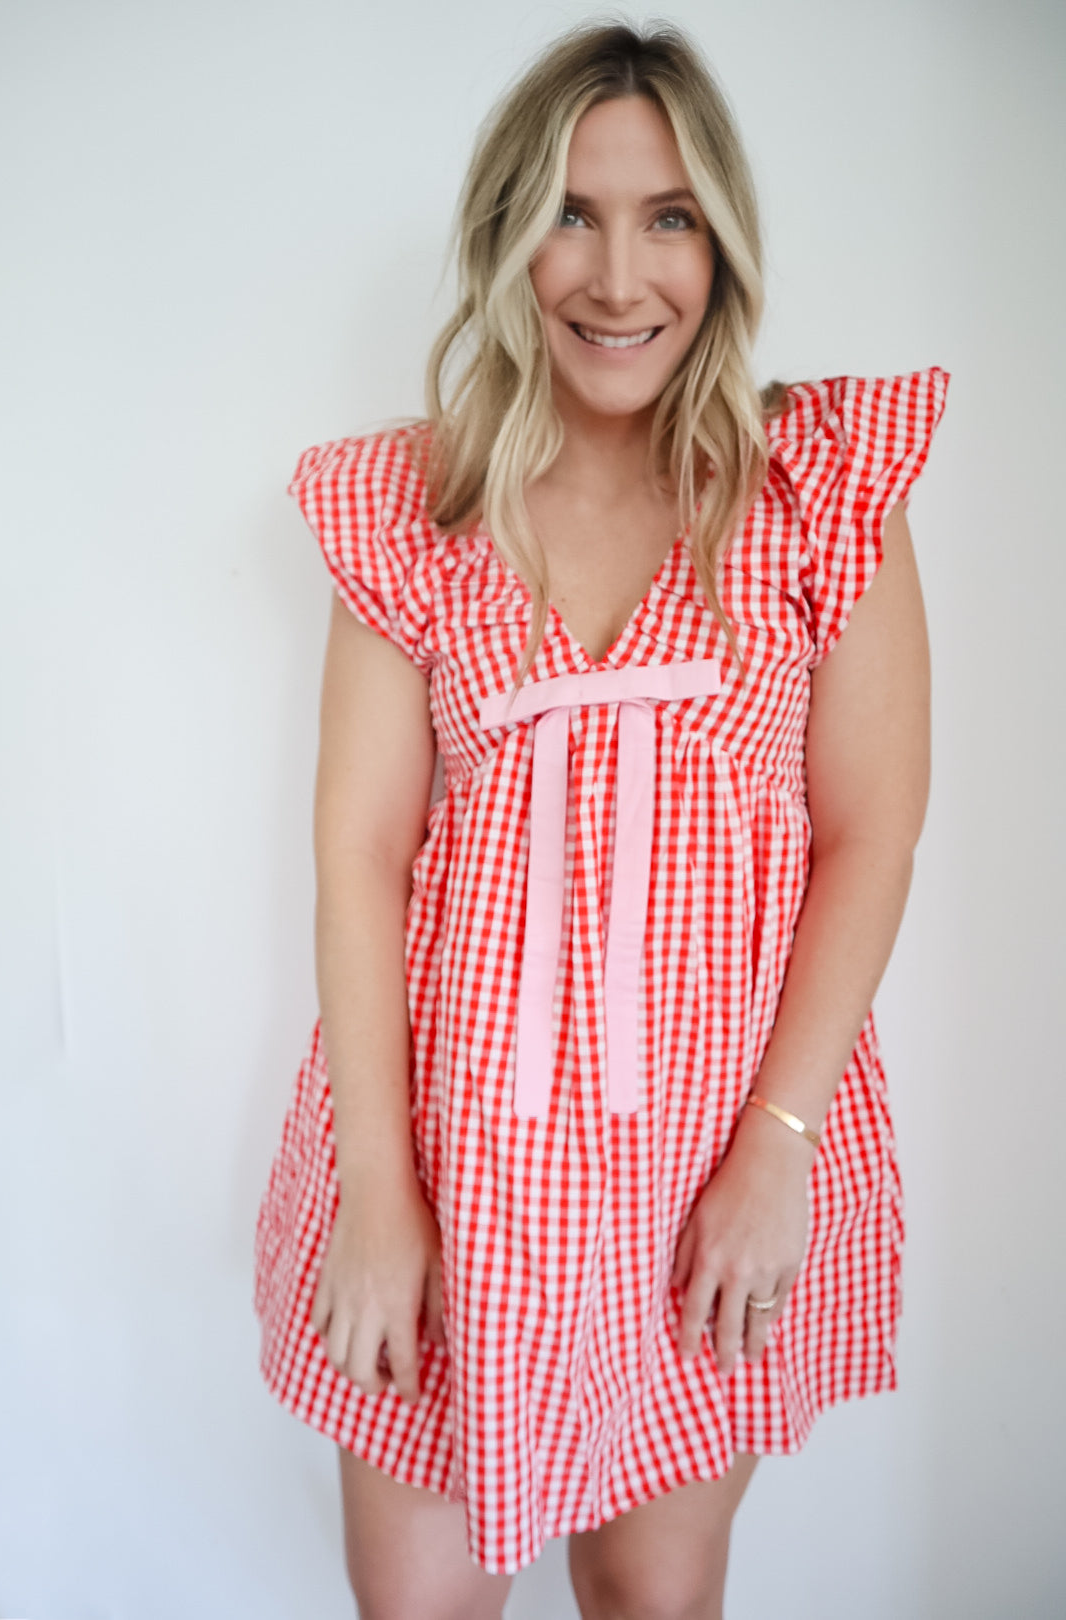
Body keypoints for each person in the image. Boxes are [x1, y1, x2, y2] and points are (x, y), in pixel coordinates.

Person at [253, 19, 948, 1619]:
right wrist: (380, 1193)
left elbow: (873, 835)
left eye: (668, 218)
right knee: (417, 1605)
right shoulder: (415, 505)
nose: (619, 277)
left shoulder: (817, 487)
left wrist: (775, 1154)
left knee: (652, 1594)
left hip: (713, 1168)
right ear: (509, 235)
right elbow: (359, 856)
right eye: (572, 214)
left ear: (722, 241)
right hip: (453, 1169)